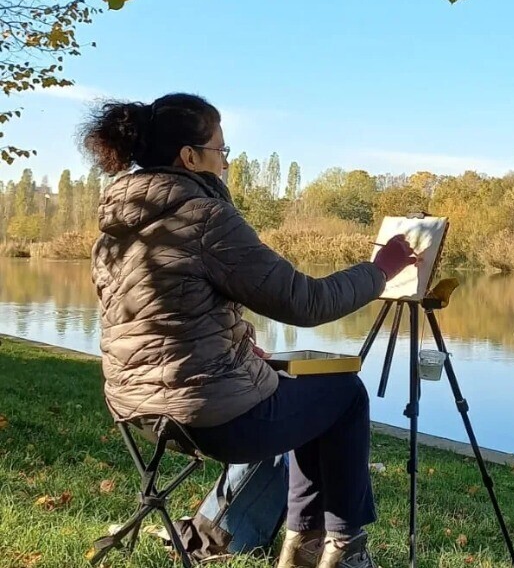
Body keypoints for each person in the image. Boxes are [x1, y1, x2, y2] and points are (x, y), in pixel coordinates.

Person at [81, 92, 416, 568]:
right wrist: (381, 270)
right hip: (211, 419)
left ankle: (304, 545)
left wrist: (233, 340)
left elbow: (160, 321)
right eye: (222, 151)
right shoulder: (204, 217)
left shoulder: (116, 232)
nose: (225, 163)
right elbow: (306, 301)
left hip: (139, 411)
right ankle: (339, 547)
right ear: (190, 157)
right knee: (344, 394)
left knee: (308, 393)